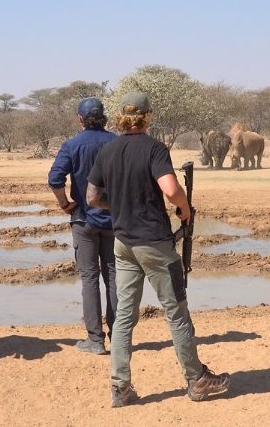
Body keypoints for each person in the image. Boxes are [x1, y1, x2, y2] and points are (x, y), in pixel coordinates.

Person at [86, 91, 231, 407]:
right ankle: (197, 379)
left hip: (123, 244)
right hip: (154, 243)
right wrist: (185, 209)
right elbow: (170, 189)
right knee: (176, 311)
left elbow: (92, 198)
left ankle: (120, 388)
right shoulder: (154, 149)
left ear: (122, 118)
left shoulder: (108, 150)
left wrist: (121, 206)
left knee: (124, 316)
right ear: (147, 116)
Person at [48, 97, 118, 355]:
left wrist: (64, 203)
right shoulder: (116, 143)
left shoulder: (72, 145)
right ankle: (118, 338)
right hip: (113, 220)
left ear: (80, 119)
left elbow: (55, 179)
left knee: (89, 279)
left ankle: (95, 340)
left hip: (84, 220)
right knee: (113, 277)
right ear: (105, 119)